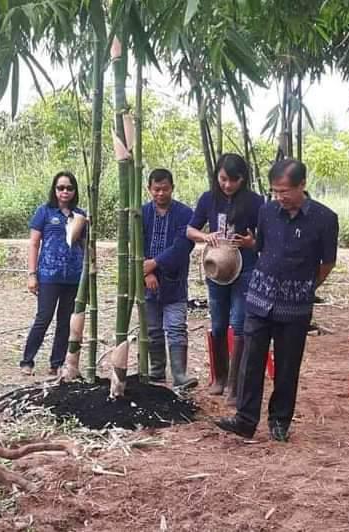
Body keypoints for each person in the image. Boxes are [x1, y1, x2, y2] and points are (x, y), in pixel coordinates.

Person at [215, 159, 337, 442]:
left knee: (287, 364)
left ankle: (280, 421)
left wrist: (306, 287)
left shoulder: (324, 218)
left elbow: (327, 262)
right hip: (259, 299)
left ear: (302, 185)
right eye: (275, 191)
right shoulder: (267, 211)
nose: (280, 197)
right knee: (251, 360)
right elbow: (262, 247)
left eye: (285, 191)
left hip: (295, 305)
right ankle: (245, 419)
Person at [187, 153, 265, 405]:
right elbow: (190, 229)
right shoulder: (208, 198)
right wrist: (204, 236)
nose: (228, 185)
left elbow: (266, 238)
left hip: (246, 267)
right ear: (216, 176)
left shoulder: (255, 202)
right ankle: (219, 377)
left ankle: (235, 385)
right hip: (216, 268)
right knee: (219, 324)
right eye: (223, 179)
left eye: (234, 180)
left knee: (239, 323)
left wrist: (253, 242)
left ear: (243, 178)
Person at [20, 171, 85, 375]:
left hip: (73, 276)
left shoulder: (80, 215)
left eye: (69, 188)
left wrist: (88, 272)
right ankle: (27, 361)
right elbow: (34, 243)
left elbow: (85, 245)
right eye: (60, 187)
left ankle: (56, 363)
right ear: (54, 190)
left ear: (74, 191)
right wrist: (32, 274)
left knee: (66, 321)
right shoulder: (45, 212)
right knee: (44, 318)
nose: (65, 191)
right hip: (49, 274)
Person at [141, 169, 198, 389]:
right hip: (146, 281)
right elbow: (134, 245)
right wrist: (146, 272)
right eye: (156, 189)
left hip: (175, 280)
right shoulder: (141, 213)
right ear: (149, 189)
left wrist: (155, 263)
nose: (160, 193)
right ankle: (156, 372)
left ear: (172, 188)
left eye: (165, 189)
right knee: (152, 329)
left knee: (176, 327)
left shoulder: (185, 214)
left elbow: (182, 246)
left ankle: (179, 374)